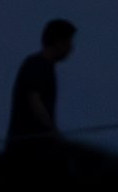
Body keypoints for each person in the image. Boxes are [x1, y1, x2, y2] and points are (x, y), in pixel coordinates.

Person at [6, 18, 76, 155]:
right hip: (27, 149)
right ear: (58, 43)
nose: (71, 48)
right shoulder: (38, 64)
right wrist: (52, 130)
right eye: (68, 42)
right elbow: (34, 98)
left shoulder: (43, 66)